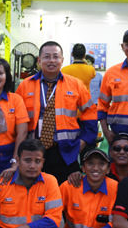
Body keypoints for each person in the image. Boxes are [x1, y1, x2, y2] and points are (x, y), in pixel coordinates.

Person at [16, 41, 97, 183]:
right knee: (34, 191)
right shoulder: (25, 86)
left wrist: (83, 141)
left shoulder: (75, 85)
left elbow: (90, 113)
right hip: (32, 152)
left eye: (55, 56)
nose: (51, 60)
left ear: (62, 60)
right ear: (39, 60)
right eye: (47, 57)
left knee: (65, 191)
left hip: (66, 152)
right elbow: (15, 120)